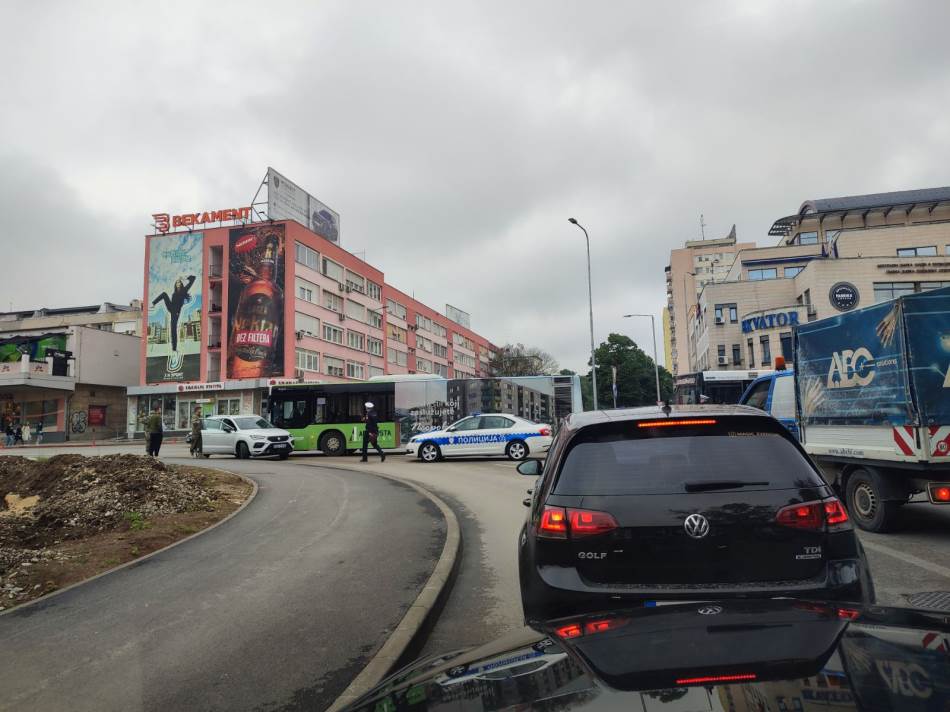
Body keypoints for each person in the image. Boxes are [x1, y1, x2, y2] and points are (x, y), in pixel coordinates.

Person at [151, 275, 196, 352]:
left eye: (179, 282)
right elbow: (172, 301)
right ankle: (153, 303)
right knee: (164, 294)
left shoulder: (184, 290)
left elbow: (193, 279)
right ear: (175, 285)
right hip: (171, 307)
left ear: (181, 284)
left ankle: (174, 348)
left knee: (173, 329)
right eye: (176, 282)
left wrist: (184, 278)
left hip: (176, 312)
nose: (178, 283)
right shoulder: (174, 293)